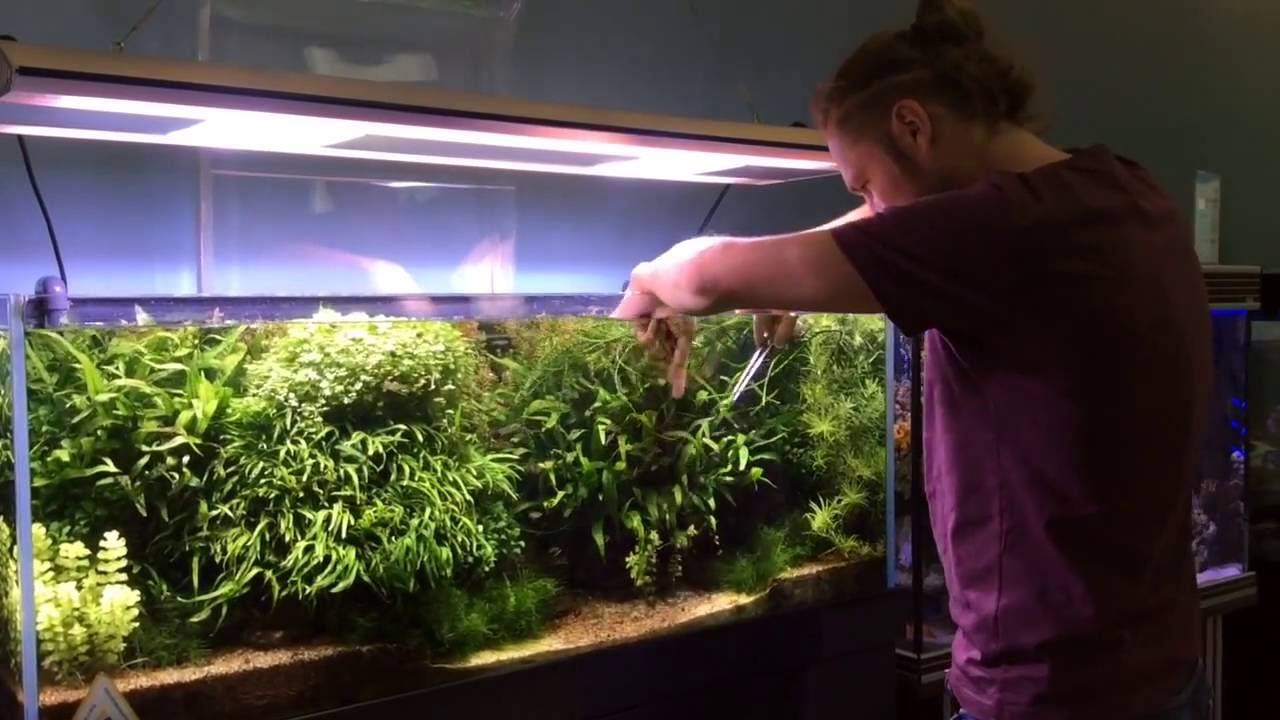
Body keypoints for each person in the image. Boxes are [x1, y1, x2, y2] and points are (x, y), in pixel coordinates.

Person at [610, 1, 1213, 718]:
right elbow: (894, 226)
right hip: (1162, 671)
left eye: (863, 181)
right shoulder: (1122, 189)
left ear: (913, 126)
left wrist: (646, 276)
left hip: (1051, 694)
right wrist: (800, 281)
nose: (867, 202)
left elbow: (706, 279)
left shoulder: (999, 231)